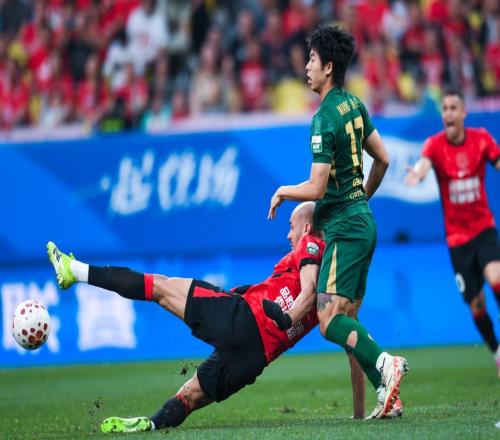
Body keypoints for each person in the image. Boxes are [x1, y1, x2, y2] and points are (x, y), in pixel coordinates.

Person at [47, 202, 325, 433]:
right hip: (254, 359)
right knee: (189, 397)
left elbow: (308, 290)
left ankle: (76, 270)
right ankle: (151, 424)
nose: (288, 235)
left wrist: (287, 318)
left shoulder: (310, 243)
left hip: (242, 319)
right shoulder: (334, 287)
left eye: (291, 226)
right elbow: (329, 318)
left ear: (306, 228)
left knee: (159, 286)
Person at [266, 24, 408, 419]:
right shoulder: (355, 105)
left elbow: (316, 186)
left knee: (328, 321)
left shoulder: (324, 117)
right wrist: (360, 198)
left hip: (345, 229)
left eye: (312, 59)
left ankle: (386, 365)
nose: (306, 66)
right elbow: (383, 159)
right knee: (348, 320)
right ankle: (386, 395)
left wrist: (283, 191)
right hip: (363, 221)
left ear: (328, 66)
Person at [405, 89, 500, 377]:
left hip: (483, 229)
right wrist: (419, 173)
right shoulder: (434, 145)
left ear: (463, 113)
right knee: (476, 304)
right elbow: (424, 163)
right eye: (444, 108)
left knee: (496, 279)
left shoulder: (481, 139)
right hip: (457, 240)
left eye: (453, 108)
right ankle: (496, 351)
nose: (448, 113)